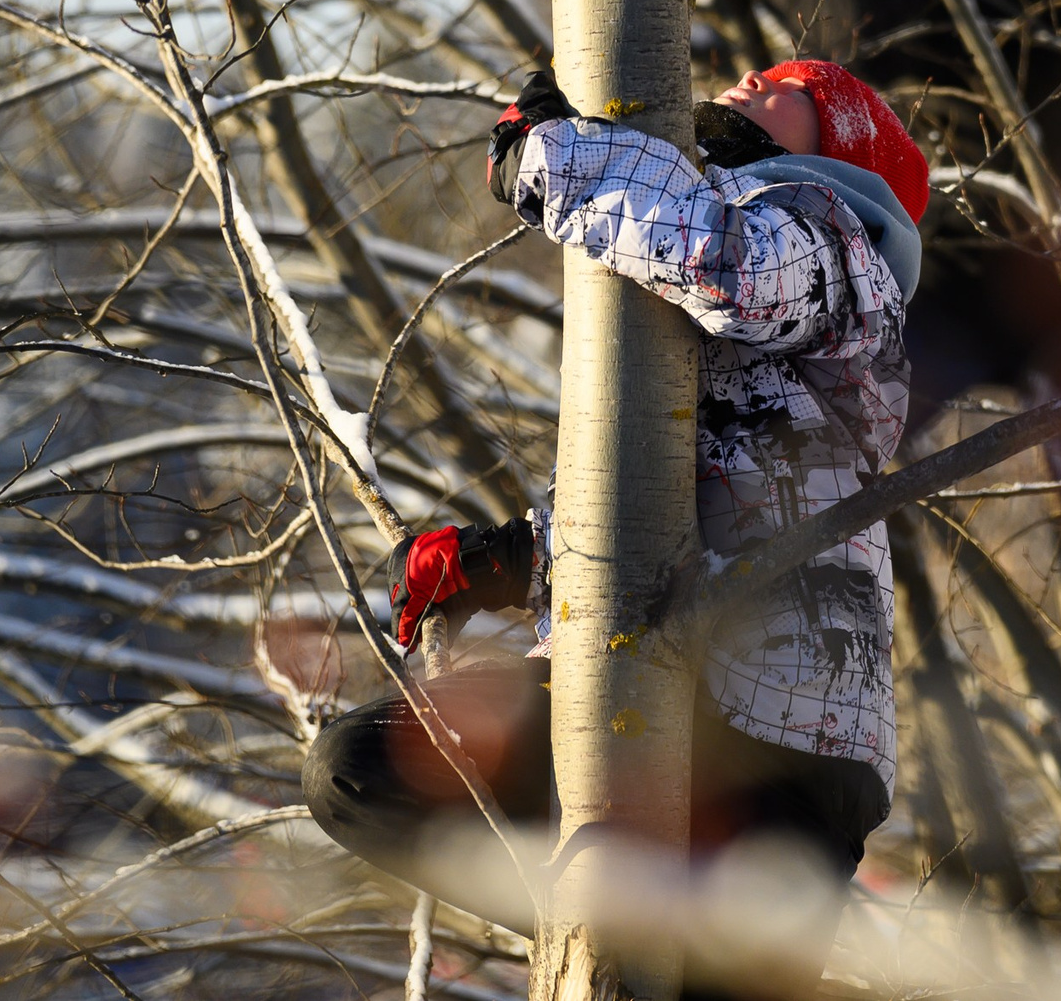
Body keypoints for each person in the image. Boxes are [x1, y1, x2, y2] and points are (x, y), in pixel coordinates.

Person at [301, 59, 928, 998]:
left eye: (794, 84)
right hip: (646, 676)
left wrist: (552, 156)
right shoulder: (701, 231)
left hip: (778, 737)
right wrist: (507, 559)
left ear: (840, 145)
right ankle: (613, 925)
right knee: (357, 768)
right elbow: (693, 484)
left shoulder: (841, 239)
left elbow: (726, 264)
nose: (756, 73)